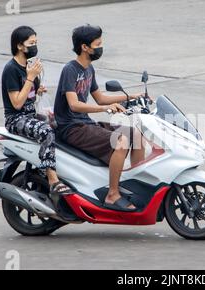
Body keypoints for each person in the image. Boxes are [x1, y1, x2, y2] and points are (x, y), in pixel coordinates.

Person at [54, 24, 146, 211]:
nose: (100, 48)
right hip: (71, 127)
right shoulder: (70, 70)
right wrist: (103, 109)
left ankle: (137, 186)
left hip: (84, 122)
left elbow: (101, 98)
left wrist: (131, 96)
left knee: (136, 135)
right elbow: (73, 104)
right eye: (98, 44)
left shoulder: (89, 69)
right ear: (84, 47)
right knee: (121, 141)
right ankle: (112, 194)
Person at [1, 26, 71, 207]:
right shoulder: (11, 69)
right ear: (19, 46)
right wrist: (31, 78)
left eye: (36, 43)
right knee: (47, 131)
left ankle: (65, 172)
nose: (34, 46)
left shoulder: (29, 65)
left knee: (61, 123)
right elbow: (16, 103)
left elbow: (30, 95)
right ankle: (53, 179)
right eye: (31, 43)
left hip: (31, 115)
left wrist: (37, 88)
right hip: (16, 120)